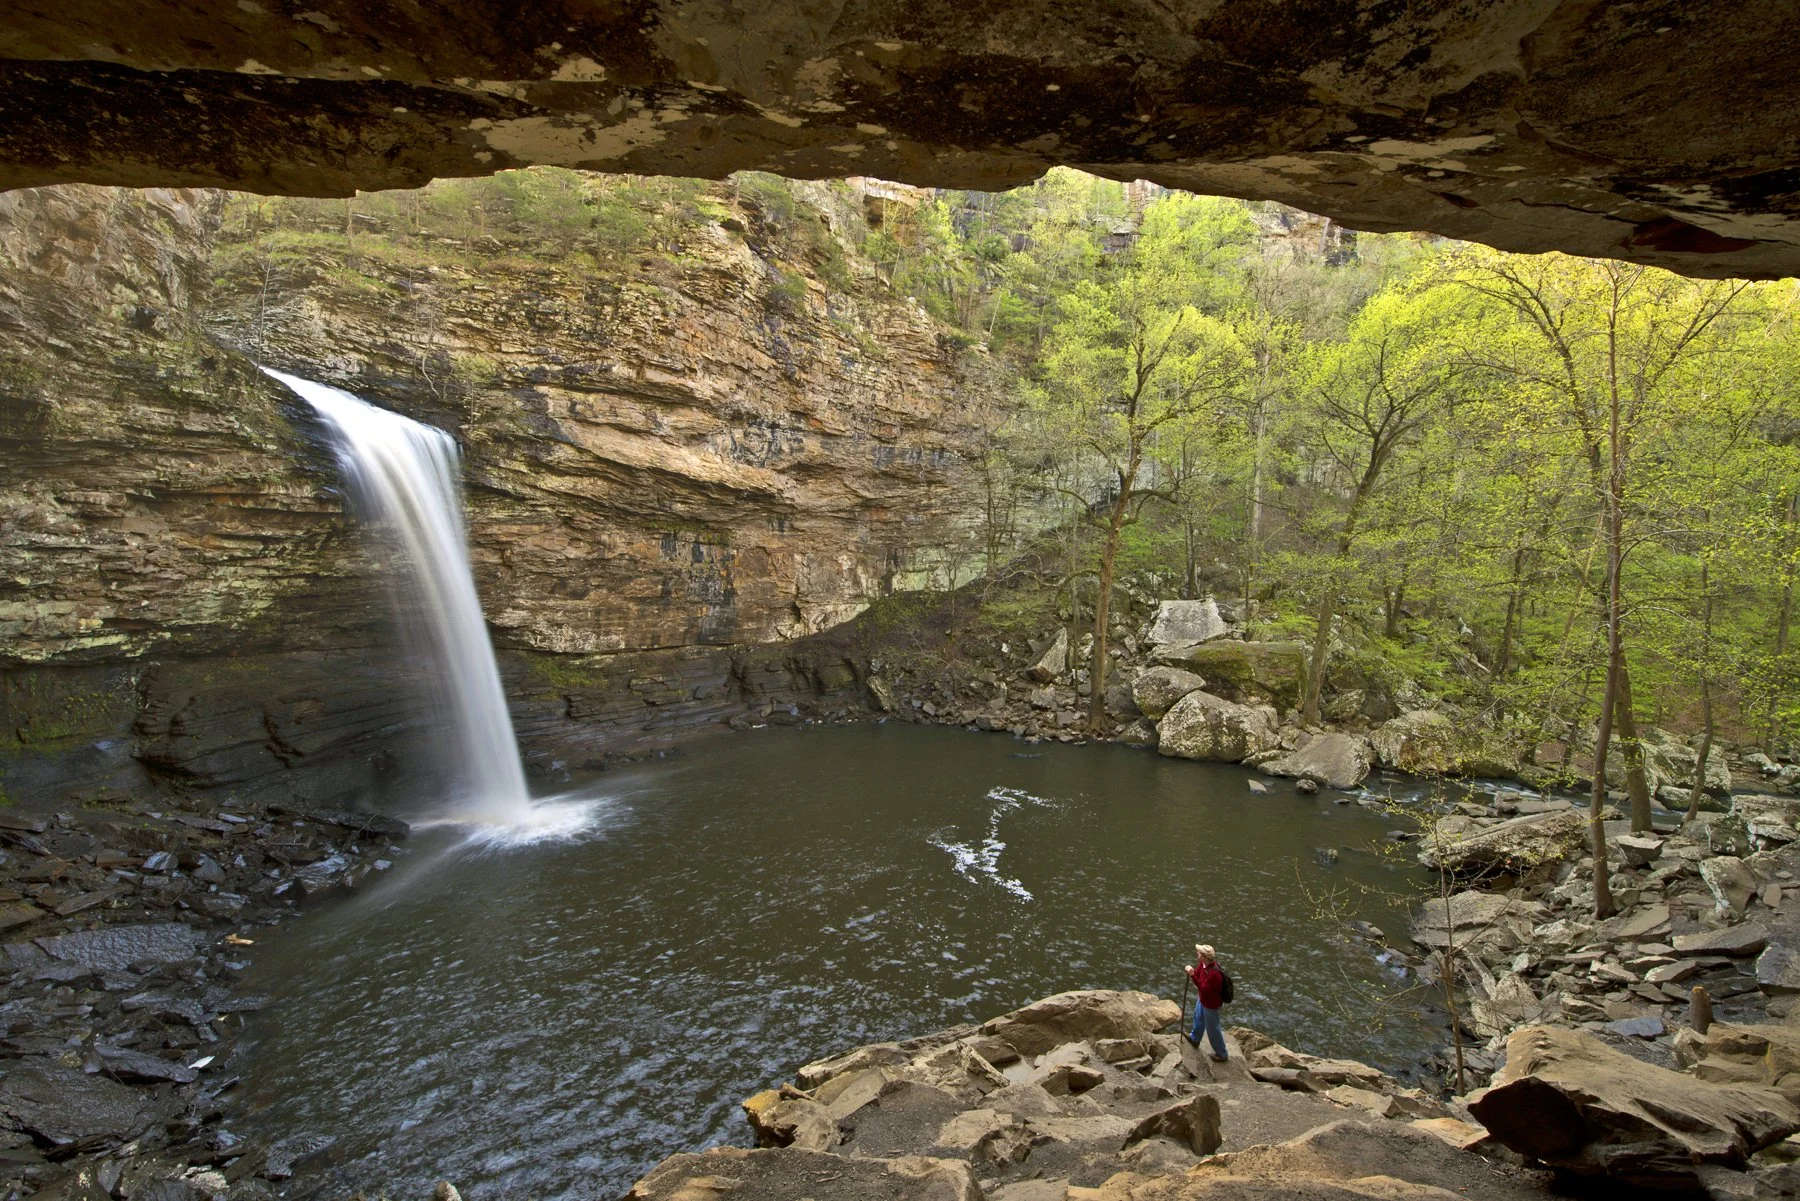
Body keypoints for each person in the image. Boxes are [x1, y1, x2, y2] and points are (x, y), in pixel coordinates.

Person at [1185, 943, 1228, 1062]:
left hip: (1211, 1004)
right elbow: (1198, 974)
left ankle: (1222, 1053)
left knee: (1213, 1029)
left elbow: (1202, 987)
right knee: (1198, 1018)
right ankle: (1195, 1038)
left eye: (1199, 953)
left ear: (1204, 956)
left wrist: (1192, 975)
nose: (1197, 953)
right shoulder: (1203, 964)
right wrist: (1193, 972)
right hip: (1203, 999)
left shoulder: (1214, 974)